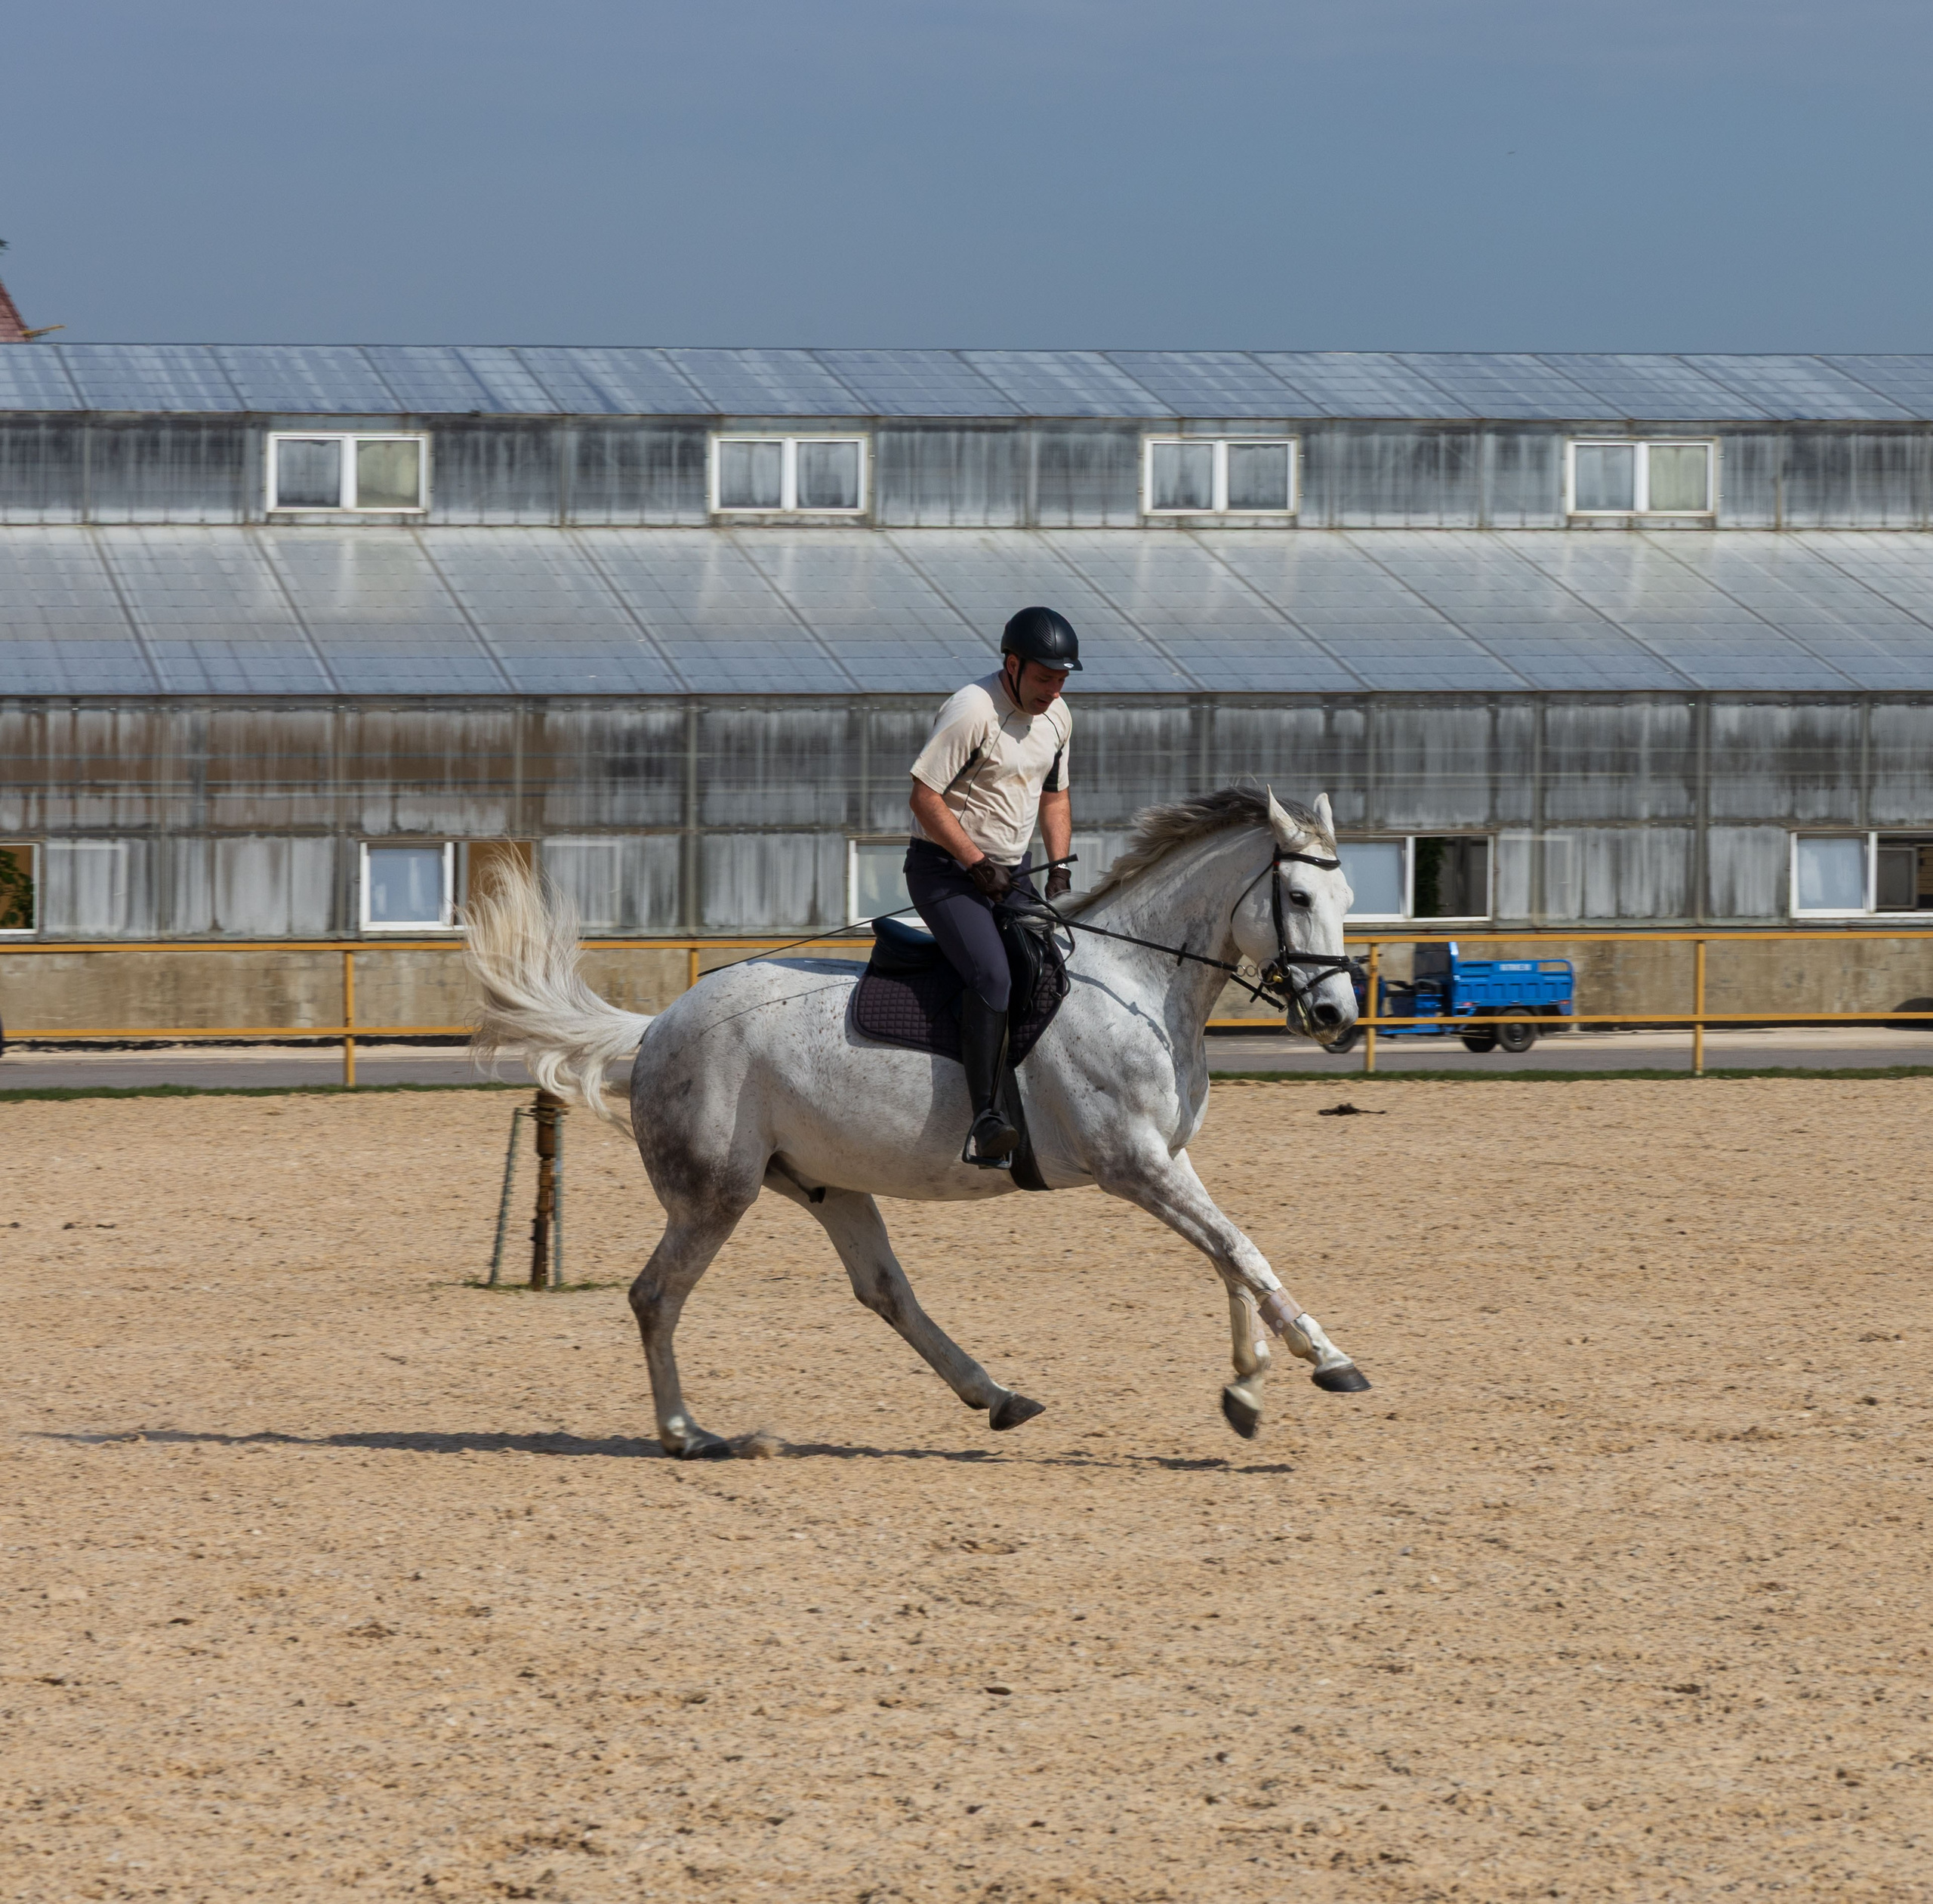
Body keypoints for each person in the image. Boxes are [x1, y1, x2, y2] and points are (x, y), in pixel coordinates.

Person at [905, 606, 1080, 1167]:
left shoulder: (1058, 718)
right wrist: (976, 862)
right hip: (944, 870)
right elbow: (924, 797)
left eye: (1062, 679)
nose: (1053, 690)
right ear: (1012, 663)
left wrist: (1057, 867)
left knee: (1049, 970)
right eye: (1044, 678)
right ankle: (984, 1119)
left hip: (1012, 872)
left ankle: (1034, 1094)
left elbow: (1054, 794)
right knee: (992, 973)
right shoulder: (972, 710)